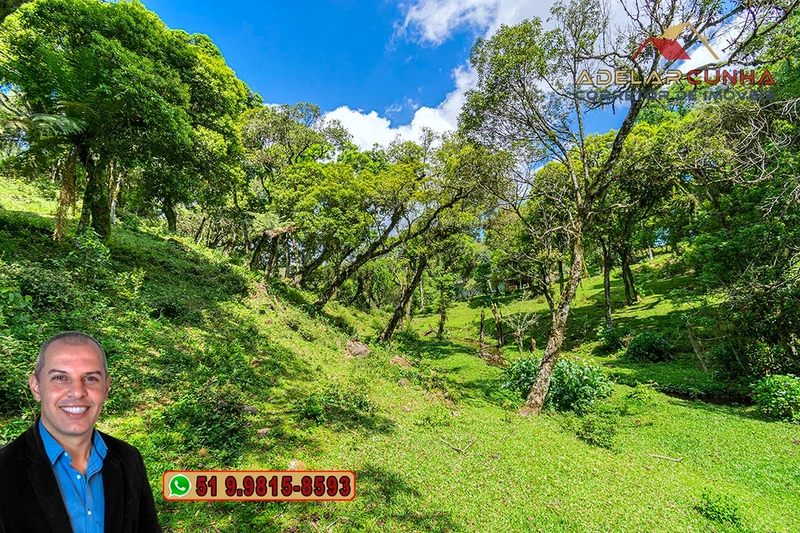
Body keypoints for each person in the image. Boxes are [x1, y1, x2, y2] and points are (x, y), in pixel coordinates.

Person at [0, 331, 161, 533]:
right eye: (60, 377)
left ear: (106, 387)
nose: (77, 392)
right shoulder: (4, 471)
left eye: (91, 378)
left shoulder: (129, 459)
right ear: (36, 387)